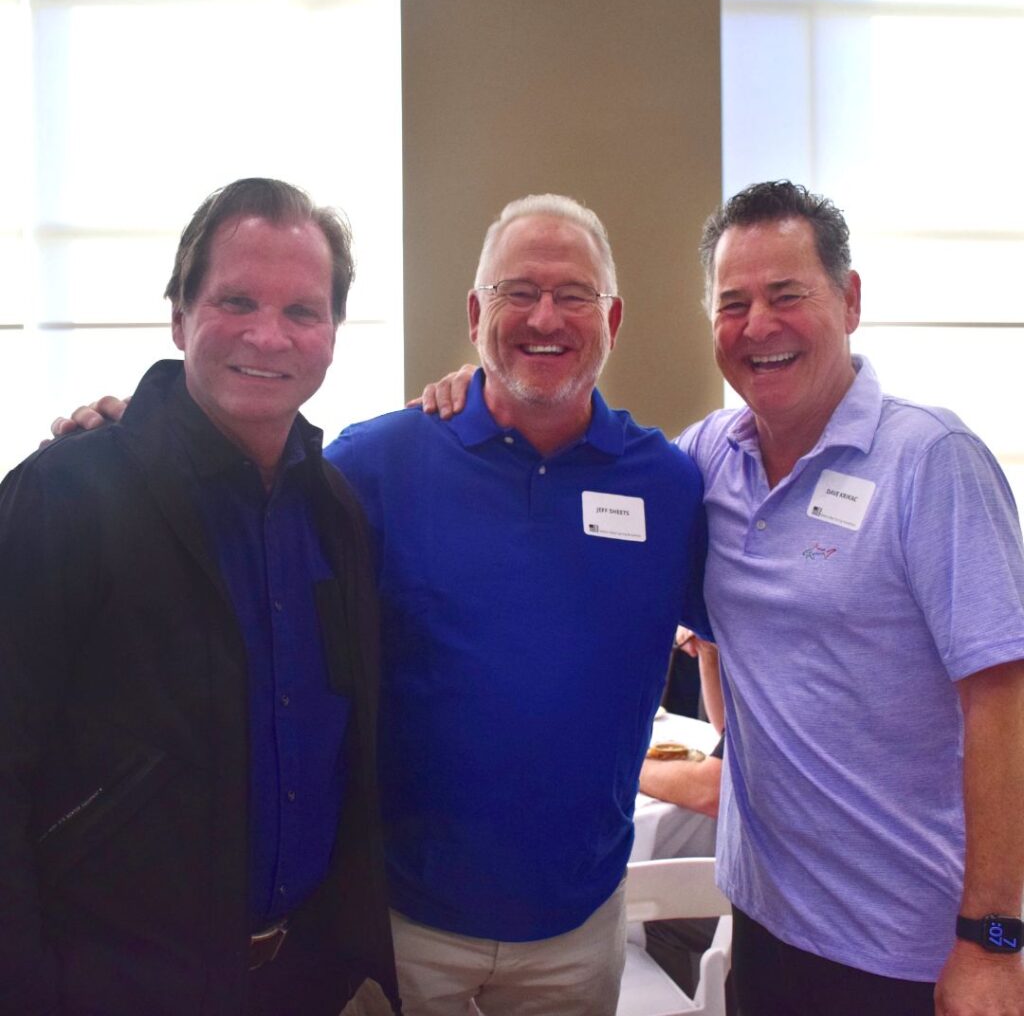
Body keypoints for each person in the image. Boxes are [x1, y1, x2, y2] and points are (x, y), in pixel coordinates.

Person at [45, 193, 712, 1016]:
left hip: (577, 928)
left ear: (613, 316)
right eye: (517, 292)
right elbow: (240, 482)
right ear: (475, 312)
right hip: (397, 922)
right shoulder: (372, 466)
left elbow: (755, 634)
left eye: (574, 294)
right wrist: (120, 433)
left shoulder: (672, 486)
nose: (546, 316)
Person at [415, 180, 1024, 1016]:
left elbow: (1004, 698)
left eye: (786, 295)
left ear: (848, 301)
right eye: (733, 303)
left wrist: (993, 937)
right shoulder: (705, 464)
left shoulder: (931, 460)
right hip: (767, 924)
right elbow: (579, 476)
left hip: (912, 943)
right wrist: (494, 382)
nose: (758, 326)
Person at [0, 178, 399, 1016]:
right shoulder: (64, 494)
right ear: (179, 317)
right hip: (114, 984)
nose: (268, 334)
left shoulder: (337, 513)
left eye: (303, 310)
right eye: (237, 300)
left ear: (331, 335)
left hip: (303, 975)